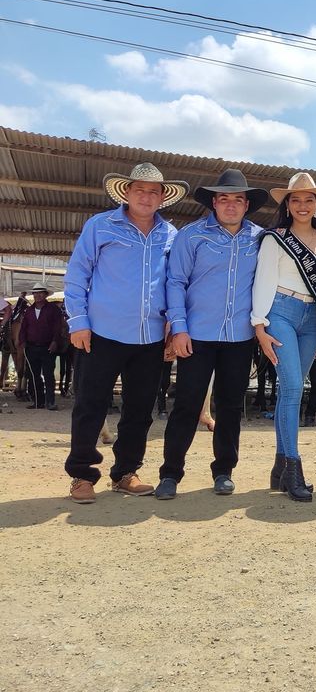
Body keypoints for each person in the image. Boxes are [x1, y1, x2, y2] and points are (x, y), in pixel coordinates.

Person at [63, 162, 188, 503]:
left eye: (153, 192)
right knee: (90, 405)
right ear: (127, 193)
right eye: (139, 190)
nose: (146, 197)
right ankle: (82, 475)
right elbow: (78, 274)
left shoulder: (171, 235)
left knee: (140, 410)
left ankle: (125, 473)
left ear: (162, 197)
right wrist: (78, 322)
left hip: (150, 338)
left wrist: (173, 327)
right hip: (101, 333)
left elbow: (175, 283)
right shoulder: (100, 226)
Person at [154, 170, 268, 500]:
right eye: (224, 199)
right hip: (197, 336)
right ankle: (170, 473)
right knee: (187, 405)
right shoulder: (191, 236)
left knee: (230, 406)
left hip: (239, 337)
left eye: (237, 199)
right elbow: (176, 282)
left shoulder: (261, 239)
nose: (231, 205)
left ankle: (223, 471)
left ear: (247, 205)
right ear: (214, 203)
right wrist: (179, 328)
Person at [252, 172, 316, 502]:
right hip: (281, 312)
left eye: (309, 200)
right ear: (287, 205)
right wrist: (259, 326)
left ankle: (279, 468)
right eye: (296, 199)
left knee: (294, 390)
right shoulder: (275, 239)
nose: (302, 205)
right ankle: (293, 467)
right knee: (291, 389)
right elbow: (263, 280)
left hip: (313, 319)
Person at [19, 283, 62, 411]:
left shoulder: (53, 309)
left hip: (47, 347)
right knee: (33, 375)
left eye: (40, 293)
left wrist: (55, 341)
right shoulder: (29, 311)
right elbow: (23, 327)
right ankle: (38, 401)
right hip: (31, 347)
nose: (37, 295)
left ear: (45, 294)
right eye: (35, 293)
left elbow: (58, 327)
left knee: (48, 375)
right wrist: (22, 341)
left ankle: (50, 402)